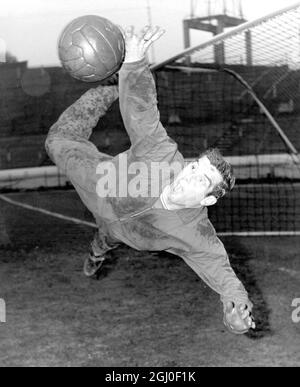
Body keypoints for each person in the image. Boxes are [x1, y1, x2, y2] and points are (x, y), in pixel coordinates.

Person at [45, 26, 255, 335]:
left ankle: (97, 251)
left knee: (109, 235)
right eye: (195, 167)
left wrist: (235, 307)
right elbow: (142, 114)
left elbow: (221, 271)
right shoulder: (161, 155)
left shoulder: (197, 233)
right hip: (100, 182)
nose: (190, 175)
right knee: (56, 142)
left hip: (128, 232)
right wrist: (134, 62)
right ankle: (104, 91)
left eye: (202, 180)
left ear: (209, 199)